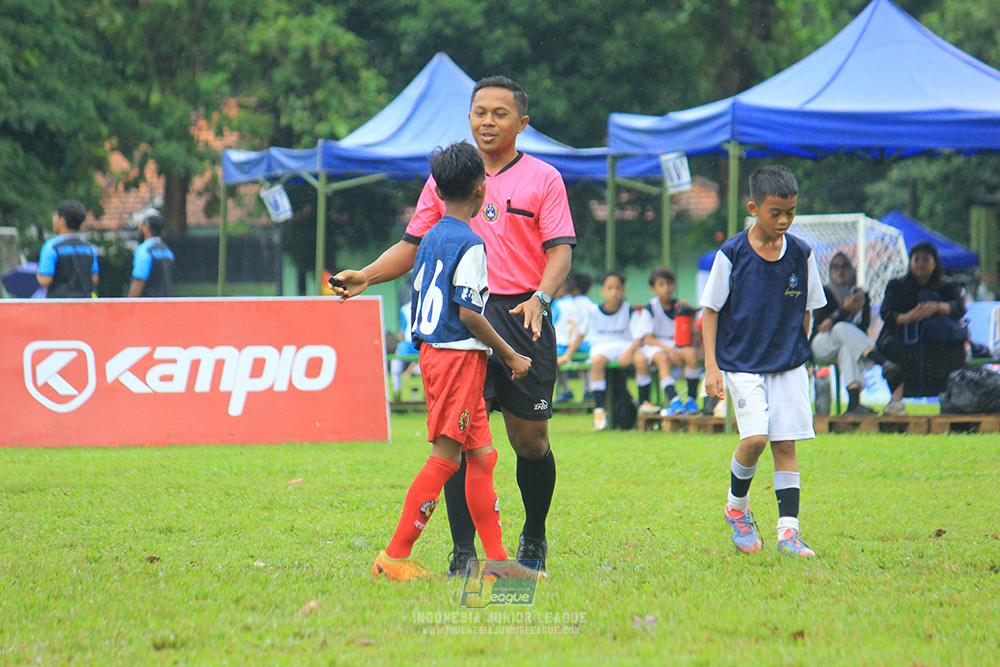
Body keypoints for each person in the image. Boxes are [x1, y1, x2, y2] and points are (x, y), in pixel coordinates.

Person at [331, 75, 574, 575]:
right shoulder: (447, 178)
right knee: (463, 442)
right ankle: (464, 553)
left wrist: (541, 298)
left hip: (522, 317)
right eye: (479, 111)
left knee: (530, 441)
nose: (487, 121)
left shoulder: (545, 178)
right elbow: (412, 244)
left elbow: (560, 253)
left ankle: (533, 538)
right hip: (462, 322)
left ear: (522, 124)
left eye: (500, 113)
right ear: (469, 117)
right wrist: (367, 276)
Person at [371, 141, 538, 581]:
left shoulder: (429, 238)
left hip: (435, 355)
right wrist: (510, 353)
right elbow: (469, 313)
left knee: (482, 459)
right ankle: (394, 556)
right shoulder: (472, 243)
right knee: (446, 458)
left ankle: (498, 565)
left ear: (439, 190)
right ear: (482, 190)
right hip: (456, 360)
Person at [701, 165, 826, 558]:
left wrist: (798, 351)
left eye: (790, 211)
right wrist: (711, 366)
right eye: (776, 212)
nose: (784, 220)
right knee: (754, 439)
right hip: (741, 362)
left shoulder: (802, 255)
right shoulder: (732, 253)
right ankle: (736, 509)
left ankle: (789, 533)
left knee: (785, 445)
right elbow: (710, 310)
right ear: (754, 208)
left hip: (788, 364)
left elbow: (809, 310)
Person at [876, 241, 967, 416]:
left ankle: (952, 400)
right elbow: (887, 313)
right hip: (902, 337)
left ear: (935, 263)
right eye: (917, 259)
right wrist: (908, 317)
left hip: (939, 338)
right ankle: (896, 402)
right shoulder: (897, 286)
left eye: (926, 260)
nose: (921, 264)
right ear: (910, 262)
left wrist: (936, 307)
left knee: (954, 352)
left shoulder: (948, 286)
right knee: (893, 348)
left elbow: (959, 308)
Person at [809, 252, 893, 415]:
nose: (840, 271)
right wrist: (844, 310)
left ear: (851, 269)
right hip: (822, 344)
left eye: (845, 266)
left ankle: (854, 405)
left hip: (849, 345)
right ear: (830, 270)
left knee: (847, 347)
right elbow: (821, 325)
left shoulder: (860, 294)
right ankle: (880, 360)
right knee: (840, 328)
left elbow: (863, 327)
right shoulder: (824, 291)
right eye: (835, 267)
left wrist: (859, 306)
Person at [559, 270, 643, 430]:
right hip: (602, 348)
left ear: (623, 290)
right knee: (597, 361)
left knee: (642, 359)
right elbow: (580, 334)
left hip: (626, 347)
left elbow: (639, 339)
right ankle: (599, 413)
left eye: (618, 288)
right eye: (610, 288)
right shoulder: (592, 312)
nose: (614, 292)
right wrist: (568, 354)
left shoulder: (630, 310)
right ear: (602, 291)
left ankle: (644, 406)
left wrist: (630, 352)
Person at [634, 267, 702, 416]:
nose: (666, 288)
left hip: (676, 344)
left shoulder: (680, 306)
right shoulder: (650, 308)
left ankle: (691, 399)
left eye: (669, 284)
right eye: (661, 285)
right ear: (653, 288)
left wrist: (689, 313)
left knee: (690, 354)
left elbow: (688, 333)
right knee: (662, 357)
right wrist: (670, 350)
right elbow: (648, 338)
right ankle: (674, 400)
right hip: (656, 345)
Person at [36, 199, 99, 298]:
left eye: (55, 215)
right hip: (85, 304)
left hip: (59, 306)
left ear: (62, 220)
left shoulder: (52, 246)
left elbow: (45, 279)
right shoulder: (89, 248)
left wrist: (38, 274)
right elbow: (94, 279)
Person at [552, 272, 593, 402]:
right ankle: (589, 390)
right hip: (585, 345)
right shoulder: (585, 303)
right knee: (586, 364)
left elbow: (552, 323)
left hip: (562, 345)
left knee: (553, 360)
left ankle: (565, 390)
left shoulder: (558, 303)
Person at [128, 211, 175, 297]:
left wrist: (128, 306)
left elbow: (139, 280)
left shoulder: (144, 250)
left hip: (148, 306)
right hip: (165, 304)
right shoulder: (167, 251)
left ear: (146, 227)